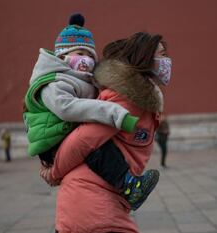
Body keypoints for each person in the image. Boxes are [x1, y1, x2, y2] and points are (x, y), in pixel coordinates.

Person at [23, 13, 158, 209]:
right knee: (97, 149)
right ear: (62, 56)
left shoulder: (81, 79)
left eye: (89, 55)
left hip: (61, 133)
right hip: (51, 140)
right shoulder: (52, 82)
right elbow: (66, 108)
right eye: (79, 53)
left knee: (98, 145)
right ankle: (128, 185)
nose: (85, 59)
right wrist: (114, 113)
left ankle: (126, 184)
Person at [40, 32, 171, 232]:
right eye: (161, 55)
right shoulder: (127, 98)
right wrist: (54, 172)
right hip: (91, 202)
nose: (166, 61)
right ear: (145, 58)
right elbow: (82, 140)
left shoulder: (140, 98)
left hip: (100, 200)